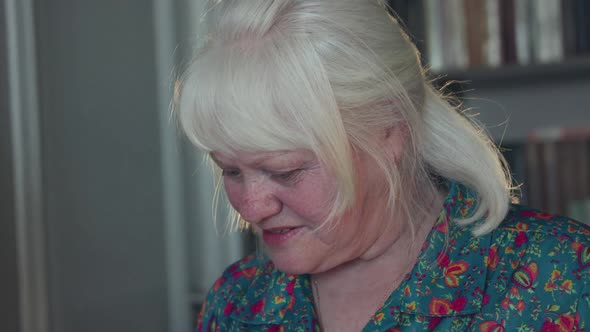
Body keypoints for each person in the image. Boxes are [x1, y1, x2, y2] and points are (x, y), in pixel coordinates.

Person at [176, 0, 590, 330]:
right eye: (231, 171)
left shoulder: (565, 278)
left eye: (285, 171)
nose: (251, 207)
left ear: (389, 130)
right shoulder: (236, 302)